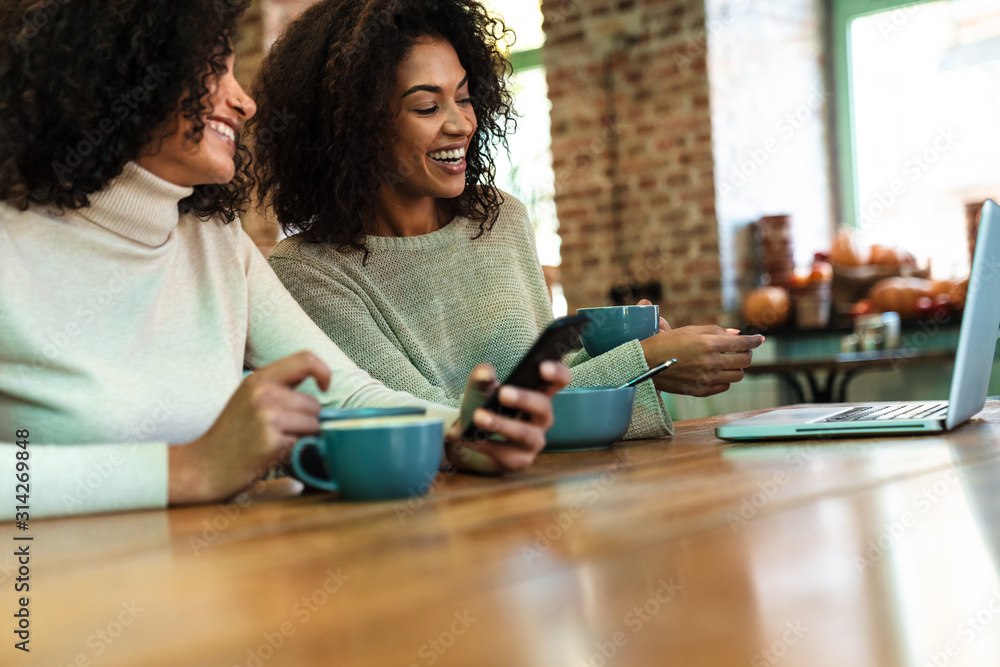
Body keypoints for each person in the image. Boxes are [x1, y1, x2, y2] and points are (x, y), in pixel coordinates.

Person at [0, 0, 569, 519]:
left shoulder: (213, 239)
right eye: (210, 68)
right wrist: (190, 468)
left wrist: (463, 434)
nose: (242, 100)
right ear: (117, 76)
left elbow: (343, 388)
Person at [251, 0, 763, 440]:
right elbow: (446, 423)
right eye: (428, 107)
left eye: (465, 97)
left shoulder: (499, 219)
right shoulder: (308, 272)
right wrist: (643, 363)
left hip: (541, 504)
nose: (461, 123)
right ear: (354, 127)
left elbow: (541, 381)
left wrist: (636, 355)